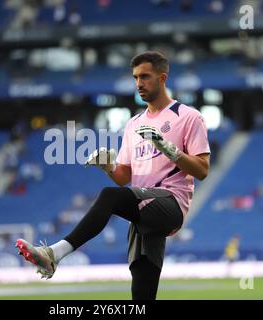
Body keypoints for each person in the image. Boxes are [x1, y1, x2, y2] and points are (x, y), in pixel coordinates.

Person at [16, 51, 210, 300]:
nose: (139, 83)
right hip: (143, 211)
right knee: (142, 292)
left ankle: (54, 254)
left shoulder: (188, 116)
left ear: (163, 78)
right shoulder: (134, 124)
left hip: (169, 204)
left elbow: (203, 170)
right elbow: (124, 178)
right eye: (135, 77)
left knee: (108, 196)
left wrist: (171, 150)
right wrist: (108, 167)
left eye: (145, 77)